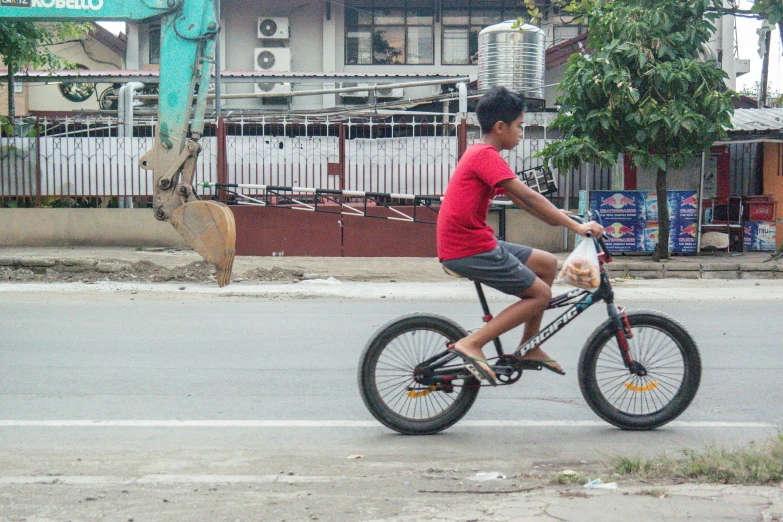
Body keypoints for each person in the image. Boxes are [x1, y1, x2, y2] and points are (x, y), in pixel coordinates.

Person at [437, 86, 603, 385]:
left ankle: (530, 346)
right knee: (541, 295)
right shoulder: (484, 155)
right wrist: (576, 228)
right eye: (519, 126)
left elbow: (524, 202)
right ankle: (472, 343)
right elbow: (528, 197)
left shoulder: (483, 154)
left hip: (471, 241)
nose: (521, 133)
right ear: (500, 127)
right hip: (468, 246)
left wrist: (566, 219)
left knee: (547, 264)